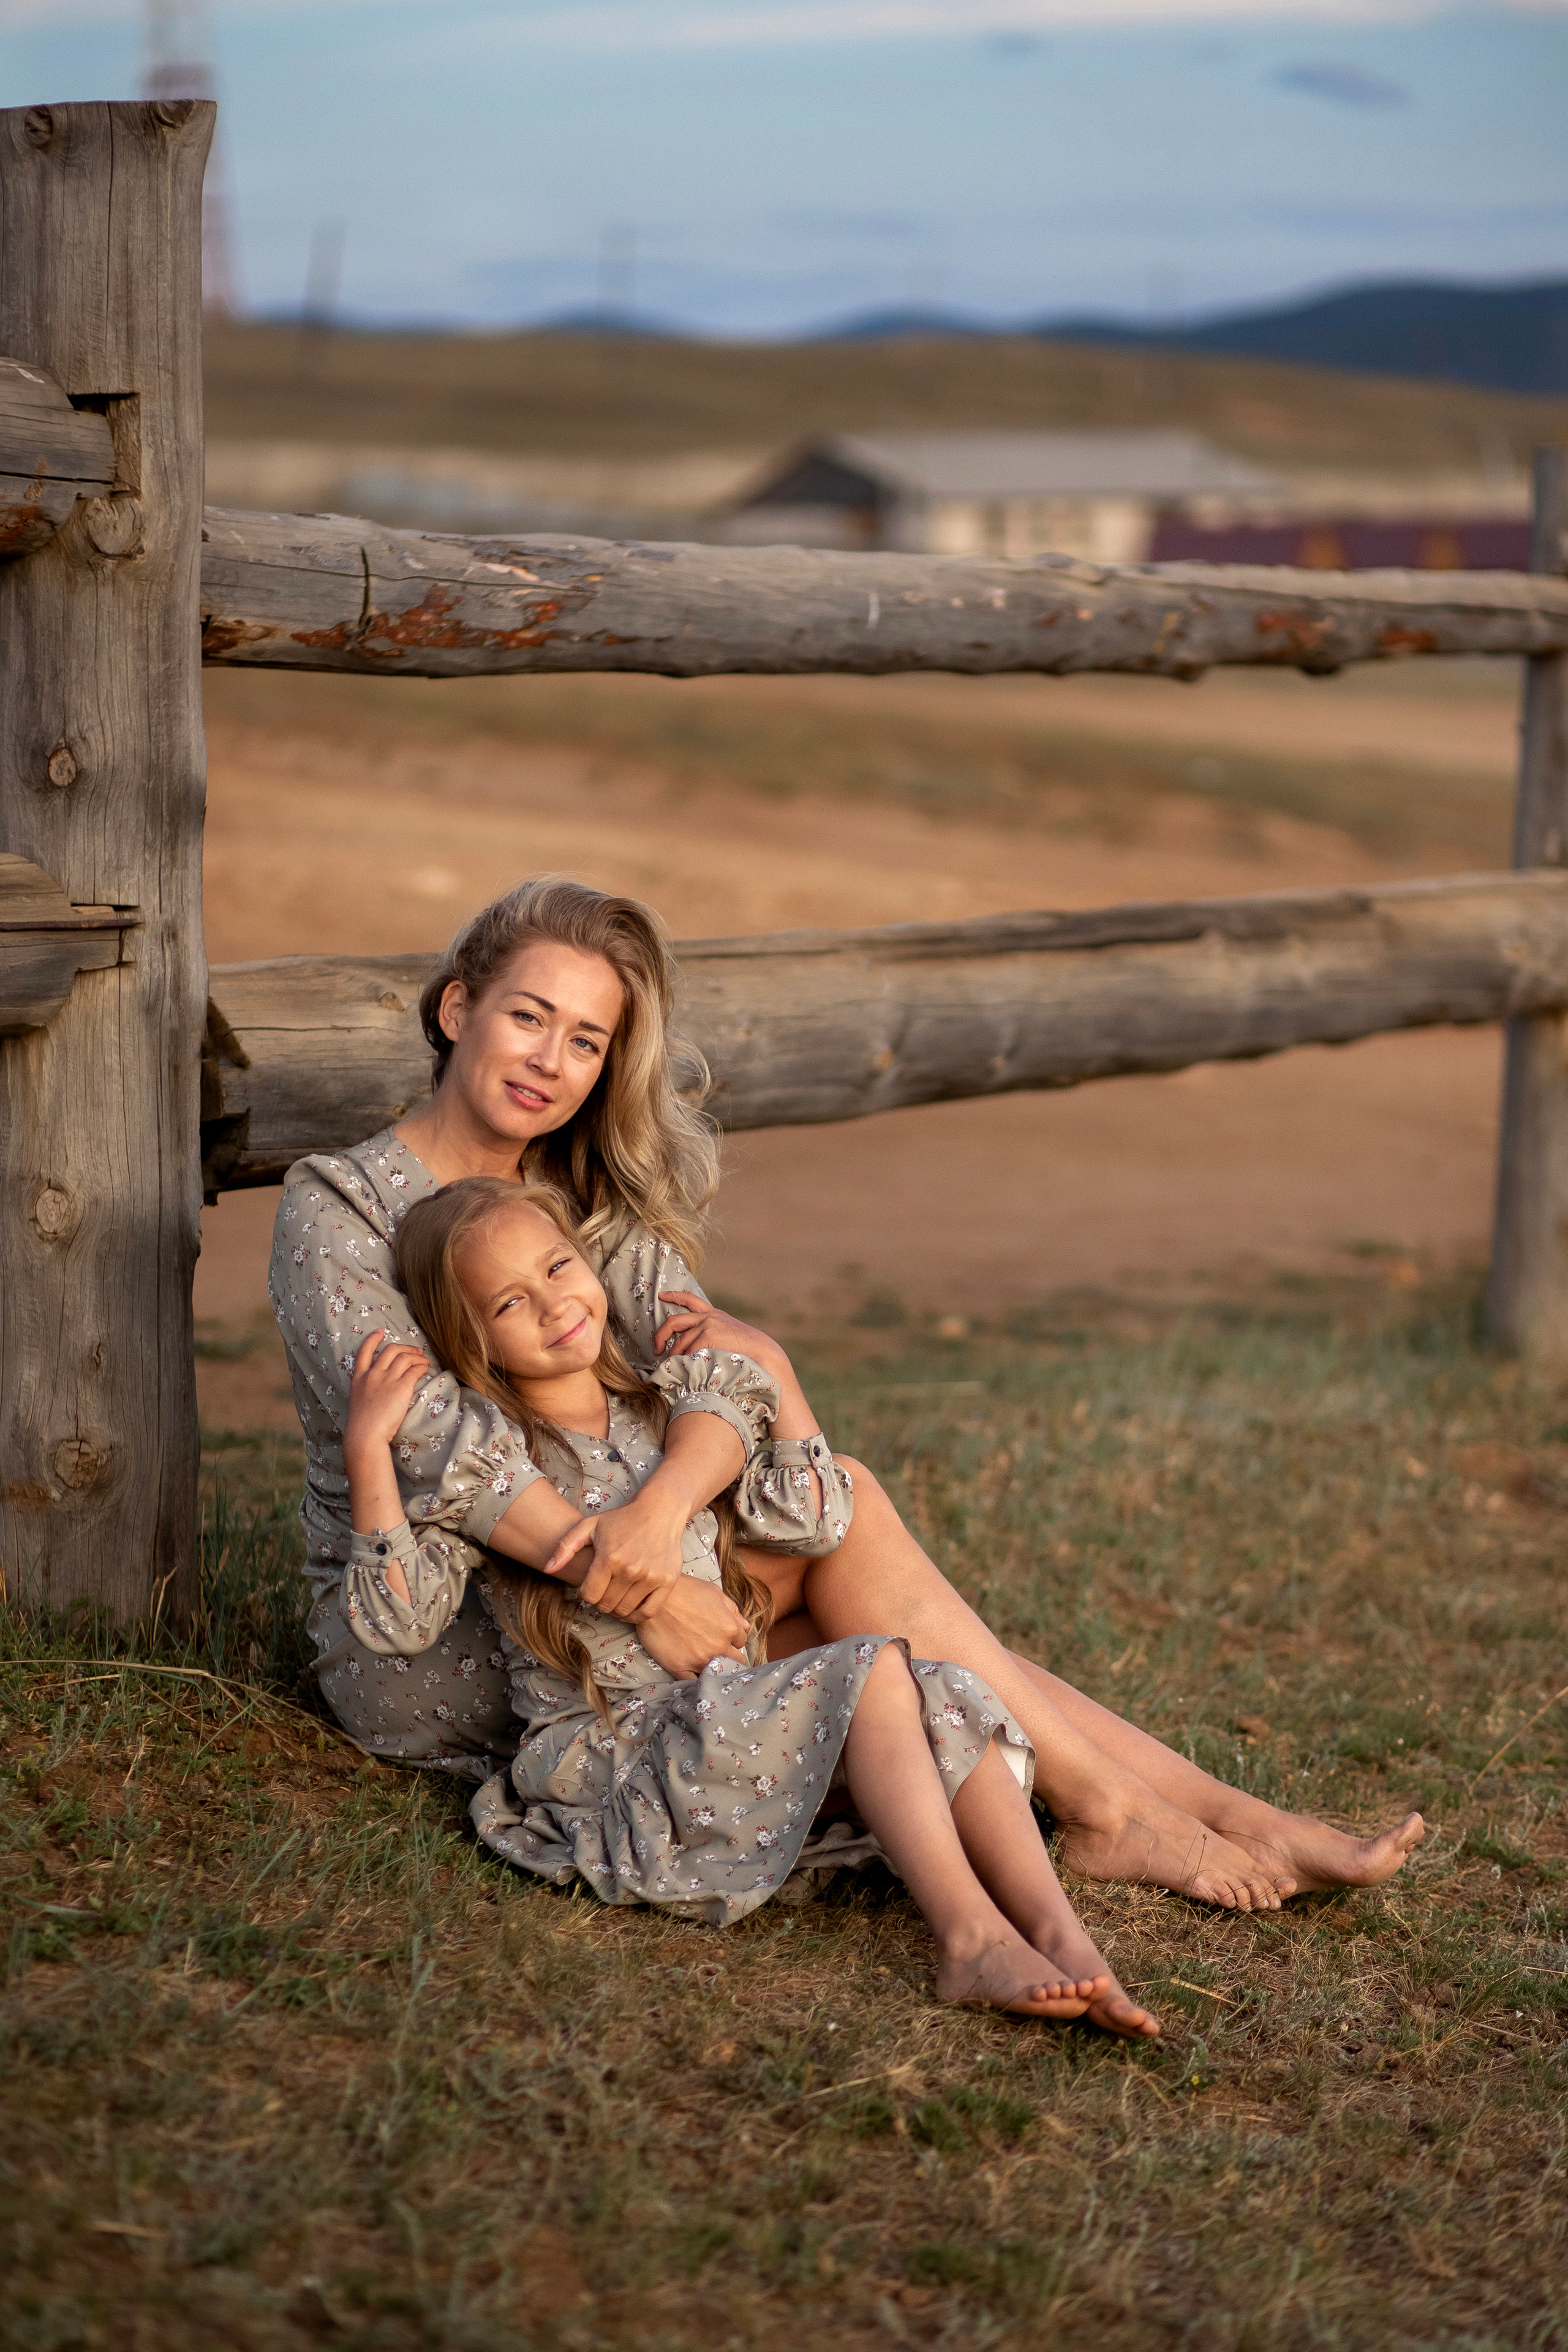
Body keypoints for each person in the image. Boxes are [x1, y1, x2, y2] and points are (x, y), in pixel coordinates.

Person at [268, 876, 1423, 1992]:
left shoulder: (580, 1212)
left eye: (585, 1040)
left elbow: (721, 1375)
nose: (551, 1061)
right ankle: (1119, 1811)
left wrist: (669, 1514)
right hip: (458, 1629)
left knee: (855, 1536)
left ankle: (1212, 1813)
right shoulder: (344, 1204)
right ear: (457, 1007)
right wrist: (652, 1586)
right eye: (528, 1017)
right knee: (849, 1591)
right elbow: (435, 1446)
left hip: (621, 1576)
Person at [339, 1173, 1157, 2034]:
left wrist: (777, 1368)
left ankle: (1063, 1934)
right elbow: (398, 1622)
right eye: (509, 1302)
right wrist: (367, 1450)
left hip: (727, 1719)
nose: (553, 1306)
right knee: (876, 1668)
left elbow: (814, 1517)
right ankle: (970, 1939)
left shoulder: (659, 1411)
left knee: (941, 1685)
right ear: (470, 1338)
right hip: (626, 1753)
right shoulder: (494, 1467)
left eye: (558, 1267)